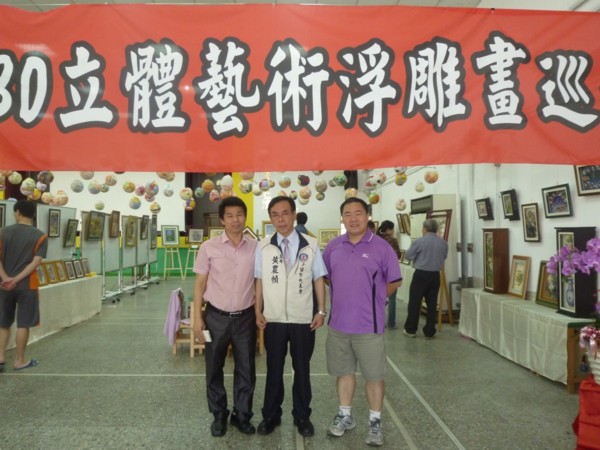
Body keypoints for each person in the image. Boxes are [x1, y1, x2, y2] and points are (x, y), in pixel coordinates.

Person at [323, 198, 402, 447]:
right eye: (348, 214)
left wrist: (376, 299)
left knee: (374, 376)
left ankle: (375, 422)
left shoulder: (381, 247)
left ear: (368, 216)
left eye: (358, 213)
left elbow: (395, 280)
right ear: (342, 218)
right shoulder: (333, 246)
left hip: (369, 326)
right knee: (343, 372)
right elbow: (327, 277)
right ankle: (345, 415)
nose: (353, 218)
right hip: (338, 325)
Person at [254, 196, 327, 437]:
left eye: (285, 213)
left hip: (303, 318)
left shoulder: (311, 244)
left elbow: (318, 279)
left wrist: (320, 311)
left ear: (294, 214)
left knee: (302, 369)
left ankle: (302, 416)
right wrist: (258, 310)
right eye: (275, 215)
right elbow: (259, 280)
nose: (281, 219)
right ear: (271, 218)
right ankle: (270, 415)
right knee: (273, 368)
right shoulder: (263, 246)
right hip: (273, 318)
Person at [192, 196, 258, 437]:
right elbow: (199, 284)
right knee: (214, 367)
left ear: (245, 217)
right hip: (215, 317)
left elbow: (259, 283)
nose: (235, 220)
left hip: (245, 318)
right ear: (222, 220)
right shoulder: (209, 247)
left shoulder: (256, 247)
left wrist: (260, 312)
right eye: (229, 215)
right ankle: (219, 415)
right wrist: (197, 318)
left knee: (246, 369)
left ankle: (242, 415)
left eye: (239, 214)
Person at [0, 200, 48, 372]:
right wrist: (17, 279)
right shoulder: (40, 236)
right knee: (23, 323)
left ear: (18, 212)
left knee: (3, 322)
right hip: (28, 285)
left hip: (4, 285)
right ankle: (19, 360)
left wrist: (7, 278)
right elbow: (36, 262)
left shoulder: (2, 232)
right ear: (33, 214)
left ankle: (1, 357)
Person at [403, 218, 448, 340]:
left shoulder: (420, 241)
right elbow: (444, 256)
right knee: (432, 304)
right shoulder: (443, 243)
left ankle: (411, 330)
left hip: (421, 275)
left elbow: (408, 255)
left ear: (424, 229)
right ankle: (429, 331)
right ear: (436, 229)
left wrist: (419, 257)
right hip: (435, 275)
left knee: (415, 302)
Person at [377, 220, 402, 330]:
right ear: (388, 230)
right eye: (392, 229)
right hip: (390, 272)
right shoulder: (392, 241)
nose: (393, 231)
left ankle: (380, 323)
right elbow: (398, 255)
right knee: (392, 299)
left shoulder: (376, 239)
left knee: (378, 298)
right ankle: (391, 324)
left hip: (378, 273)